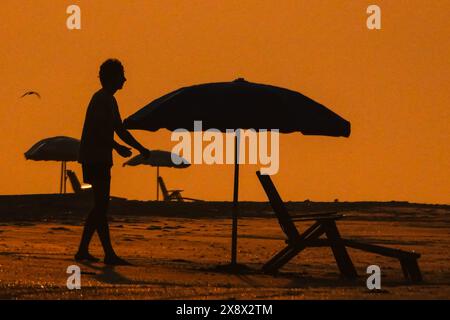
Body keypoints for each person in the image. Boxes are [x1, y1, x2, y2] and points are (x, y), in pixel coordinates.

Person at [76, 59, 150, 265]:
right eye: (121, 75)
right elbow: (100, 131)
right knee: (101, 205)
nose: (124, 79)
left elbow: (119, 129)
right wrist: (117, 147)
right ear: (111, 78)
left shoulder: (109, 100)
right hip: (95, 158)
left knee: (100, 205)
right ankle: (108, 253)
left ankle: (84, 250)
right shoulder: (101, 99)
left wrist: (140, 148)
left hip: (100, 158)